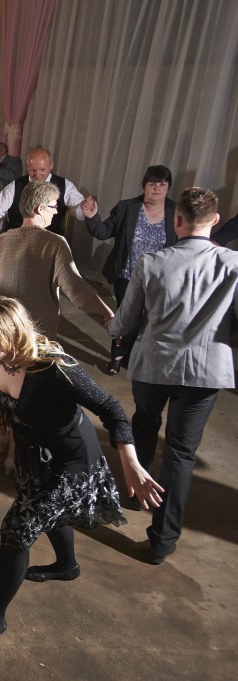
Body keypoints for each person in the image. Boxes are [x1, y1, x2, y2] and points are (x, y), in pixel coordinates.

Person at [0, 296, 161, 651]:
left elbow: (112, 409)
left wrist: (131, 463)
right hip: (33, 456)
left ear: (14, 336)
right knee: (52, 514)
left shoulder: (55, 368)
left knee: (17, 531)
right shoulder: (1, 360)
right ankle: (67, 565)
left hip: (70, 462)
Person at [109, 186, 238, 565]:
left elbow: (124, 323)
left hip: (154, 366)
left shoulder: (151, 262)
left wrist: (109, 323)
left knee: (145, 425)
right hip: (206, 370)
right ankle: (162, 541)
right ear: (214, 222)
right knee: (181, 453)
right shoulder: (232, 264)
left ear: (176, 220)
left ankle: (136, 494)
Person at [0, 181, 112, 339]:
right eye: (53, 207)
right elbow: (75, 286)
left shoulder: (1, 240)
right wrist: (106, 311)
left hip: (2, 327)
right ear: (39, 209)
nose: (56, 212)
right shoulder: (55, 242)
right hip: (37, 329)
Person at [82, 165, 176, 374]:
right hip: (128, 275)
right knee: (127, 318)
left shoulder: (175, 211)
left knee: (150, 321)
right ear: (144, 186)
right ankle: (117, 356)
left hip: (161, 280)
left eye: (162, 184)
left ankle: (134, 357)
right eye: (152, 184)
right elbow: (103, 231)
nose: (157, 189)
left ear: (168, 187)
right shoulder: (127, 207)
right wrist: (92, 216)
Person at [0, 146, 85, 236]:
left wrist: (84, 208)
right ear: (27, 167)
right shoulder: (16, 185)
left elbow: (78, 208)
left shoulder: (65, 185)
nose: (37, 175)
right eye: (33, 170)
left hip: (50, 241)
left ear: (51, 165)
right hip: (17, 239)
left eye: (42, 170)